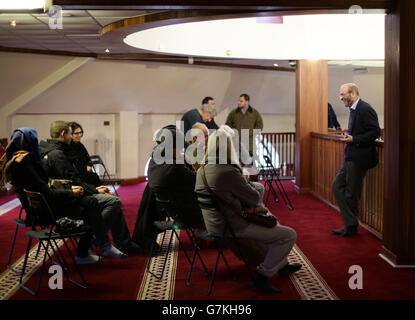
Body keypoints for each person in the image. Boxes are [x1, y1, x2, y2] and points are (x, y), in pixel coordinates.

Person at [195, 128, 301, 293]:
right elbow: (252, 198)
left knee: (265, 227)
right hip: (233, 225)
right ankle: (263, 276)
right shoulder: (227, 170)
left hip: (214, 224)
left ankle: (282, 266)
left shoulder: (202, 170)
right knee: (288, 235)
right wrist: (244, 180)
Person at [0, 127, 102, 264]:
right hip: (44, 212)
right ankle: (84, 253)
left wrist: (63, 186)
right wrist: (71, 192)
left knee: (86, 202)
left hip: (32, 210)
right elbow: (47, 193)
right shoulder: (27, 162)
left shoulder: (14, 159)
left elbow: (42, 186)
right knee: (90, 204)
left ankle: (93, 247)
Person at [39, 121, 139, 257]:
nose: (77, 136)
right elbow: (74, 181)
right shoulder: (58, 154)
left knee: (113, 200)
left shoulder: (47, 150)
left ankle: (121, 242)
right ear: (64, 134)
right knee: (114, 202)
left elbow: (81, 174)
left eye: (81, 133)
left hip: (65, 196)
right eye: (72, 133)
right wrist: (95, 190)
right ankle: (95, 237)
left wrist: (96, 187)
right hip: (67, 201)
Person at [132, 125, 204, 255]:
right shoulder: (174, 168)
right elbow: (199, 180)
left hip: (171, 210)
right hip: (189, 215)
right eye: (180, 148)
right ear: (172, 149)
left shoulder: (156, 160)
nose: (182, 150)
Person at [332, 83, 381, 237]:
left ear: (352, 93)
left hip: (360, 158)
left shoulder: (365, 108)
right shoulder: (353, 109)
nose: (340, 98)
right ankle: (351, 223)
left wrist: (355, 139)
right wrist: (349, 137)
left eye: (342, 94)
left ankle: (351, 227)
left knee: (351, 195)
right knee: (336, 186)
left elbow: (375, 132)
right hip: (351, 156)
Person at [67, 122, 101, 186]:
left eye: (81, 132)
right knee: (94, 178)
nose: (80, 135)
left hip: (84, 173)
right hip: (77, 176)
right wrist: (85, 168)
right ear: (70, 134)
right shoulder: (68, 146)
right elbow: (72, 165)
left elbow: (87, 159)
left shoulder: (80, 145)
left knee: (94, 177)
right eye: (77, 133)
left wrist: (88, 166)